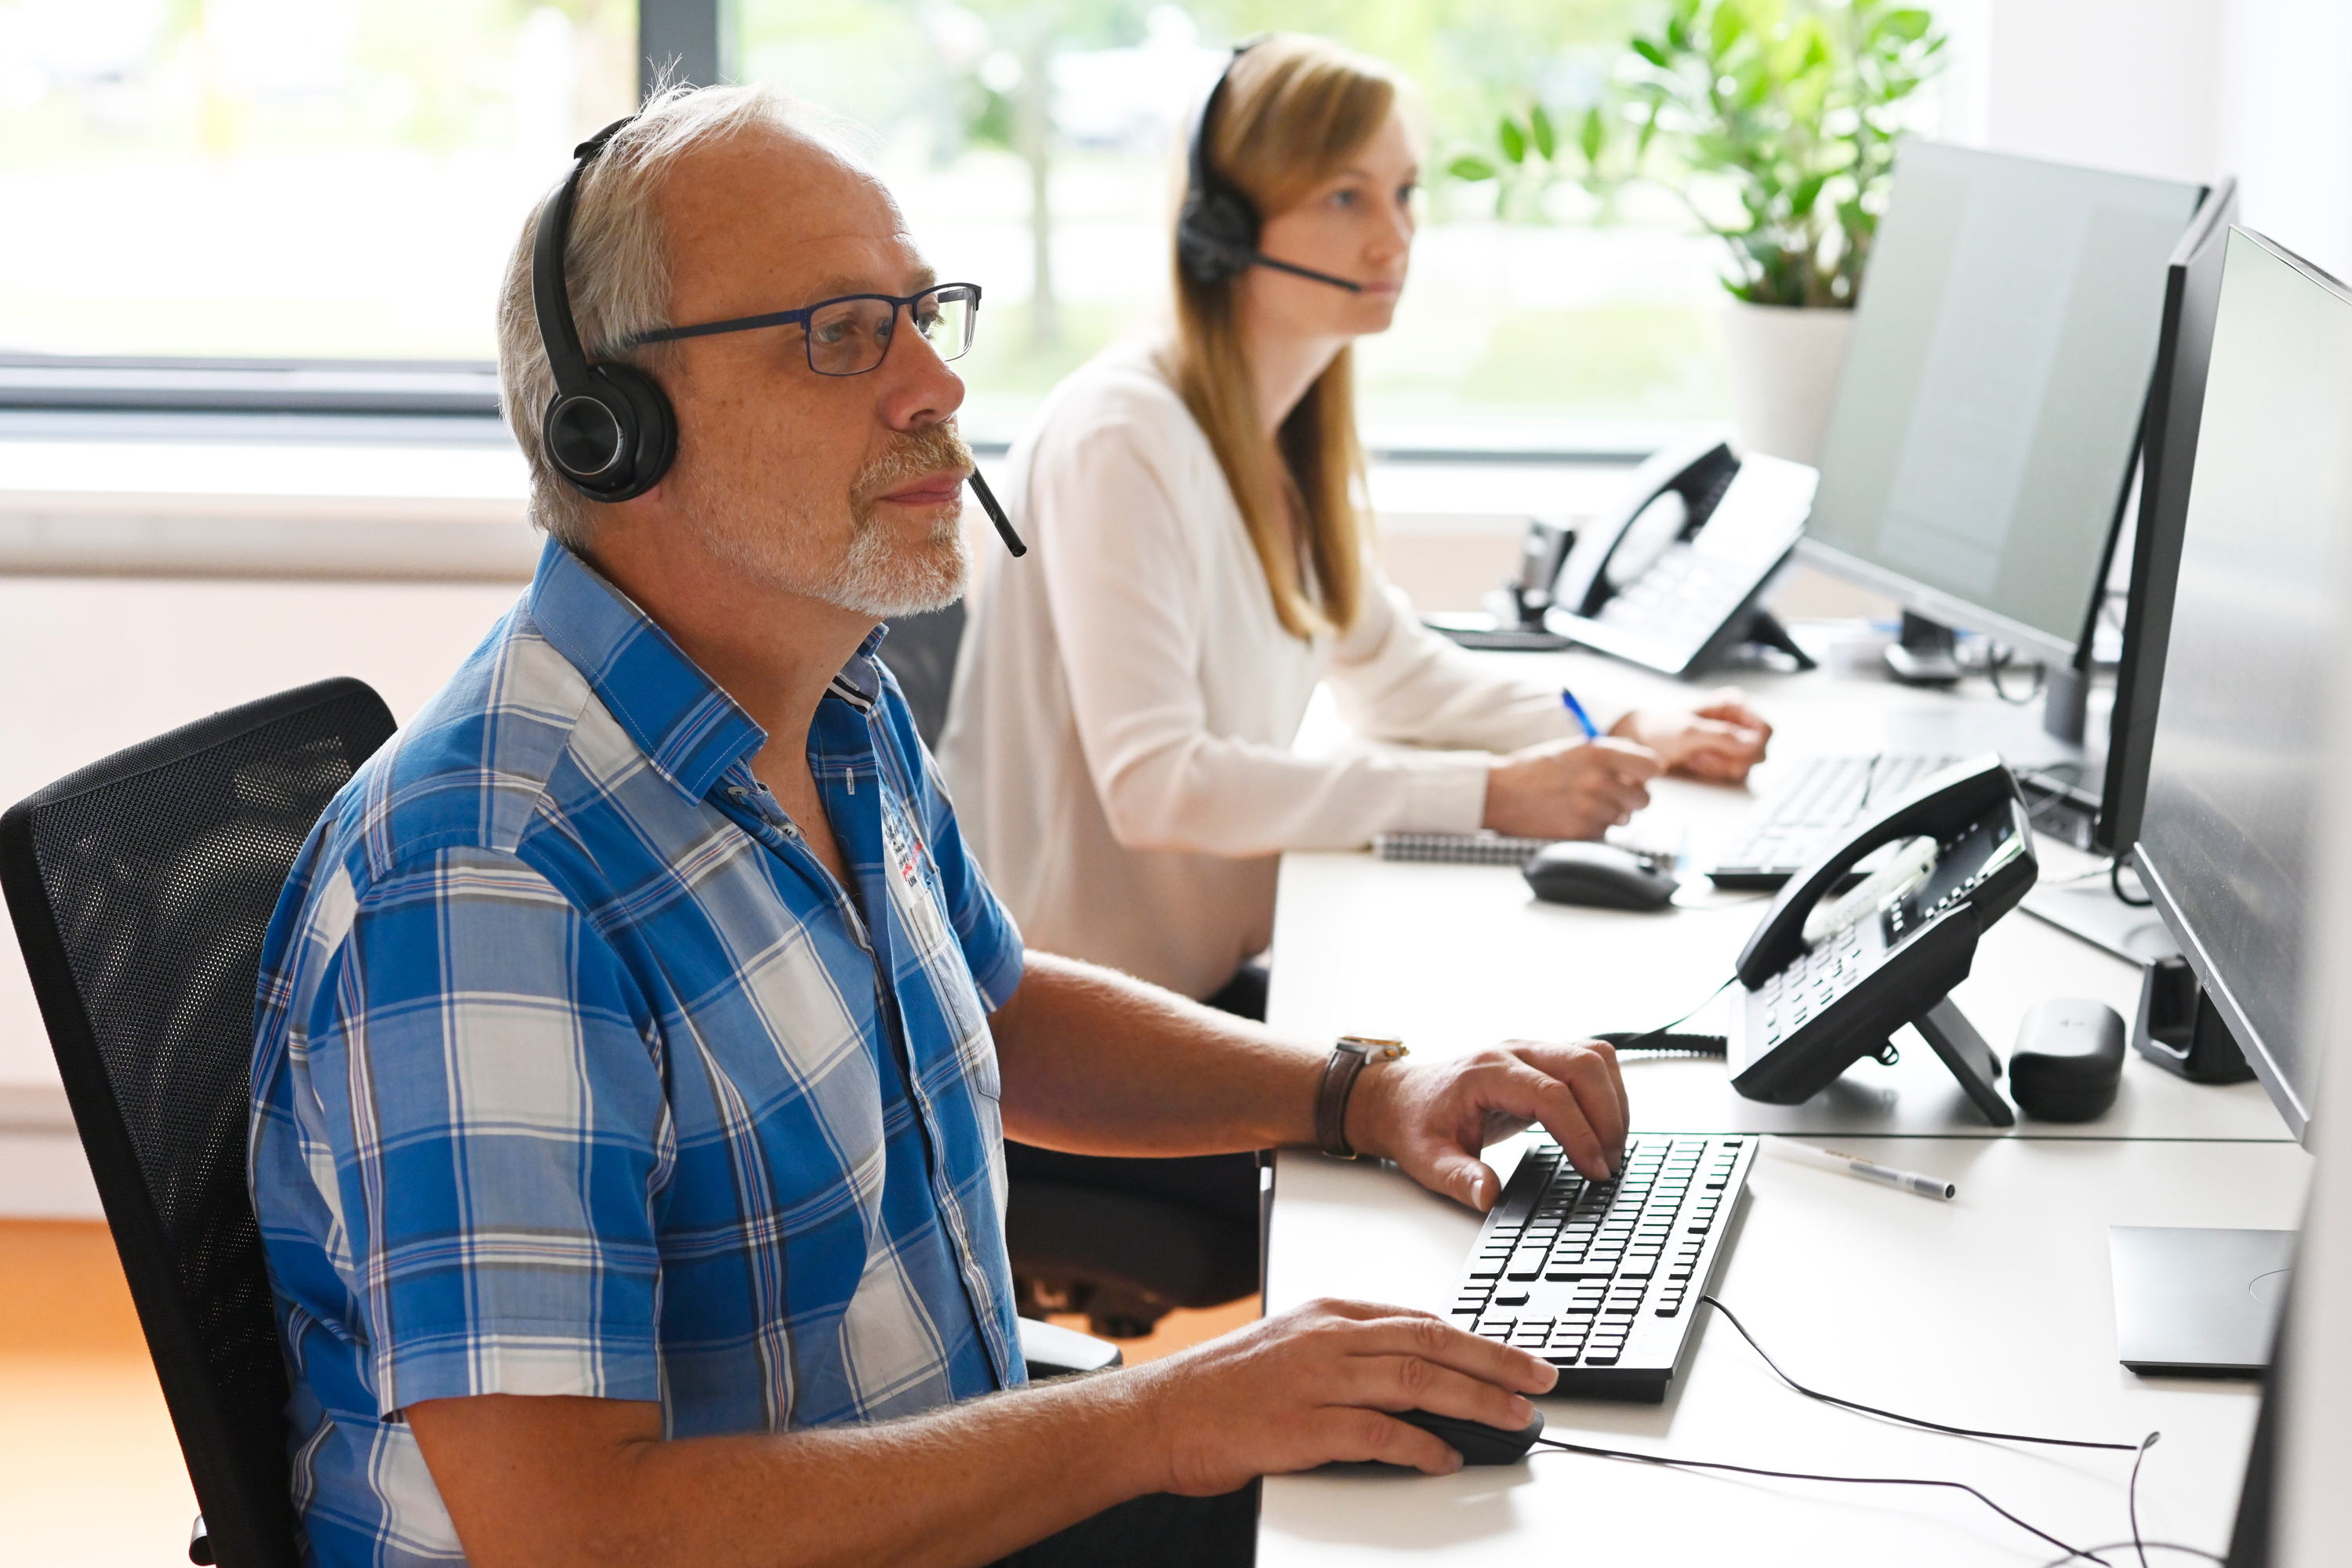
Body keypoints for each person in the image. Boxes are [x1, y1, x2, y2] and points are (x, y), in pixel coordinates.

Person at [247, 82, 1637, 1568]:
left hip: (943, 1499)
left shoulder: (834, 706)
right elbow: (576, 1532)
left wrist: (1360, 1094)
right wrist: (1164, 1421)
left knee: (1534, 1492)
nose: (937, 388)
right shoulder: (490, 879)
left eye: (924, 315)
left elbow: (1000, 1011)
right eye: (842, 334)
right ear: (618, 429)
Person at [940, 34, 1772, 1011]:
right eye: (1346, 197)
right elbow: (1159, 783)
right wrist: (1492, 796)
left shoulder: (1281, 431)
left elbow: (1394, 670)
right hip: (1078, 1041)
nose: (1394, 239)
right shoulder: (1122, 437)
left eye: (1407, 193)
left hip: (1199, 983)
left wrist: (1623, 727)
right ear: (1223, 229)